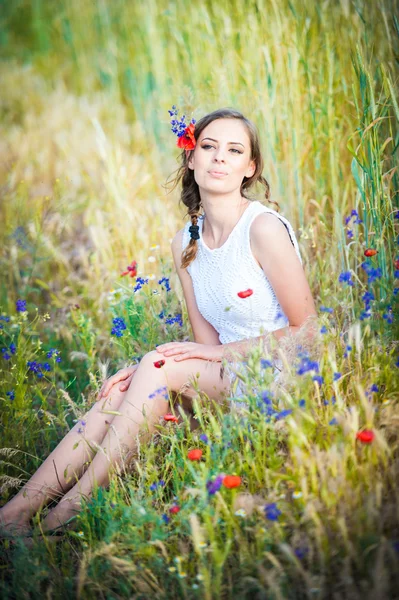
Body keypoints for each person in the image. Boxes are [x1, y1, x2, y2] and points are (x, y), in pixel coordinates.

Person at [0, 107, 317, 537]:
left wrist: (203, 356)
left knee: (156, 367)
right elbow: (200, 345)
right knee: (131, 385)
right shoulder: (185, 242)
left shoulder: (261, 229)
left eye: (234, 150)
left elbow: (308, 332)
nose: (219, 157)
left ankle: (67, 513)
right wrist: (141, 372)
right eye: (209, 147)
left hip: (276, 377)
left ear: (250, 168)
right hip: (225, 375)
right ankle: (17, 511)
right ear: (191, 158)